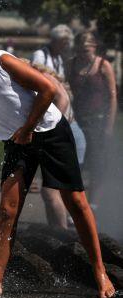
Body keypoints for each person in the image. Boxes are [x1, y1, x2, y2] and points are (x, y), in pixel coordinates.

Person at [0, 16, 115, 298]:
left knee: (75, 201)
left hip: (49, 130)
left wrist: (29, 128)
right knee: (7, 210)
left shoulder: (1, 62)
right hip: (17, 140)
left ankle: (100, 271)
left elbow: (49, 89)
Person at [25, 61, 86, 229]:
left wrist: (50, 127)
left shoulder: (43, 77)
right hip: (70, 133)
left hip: (66, 134)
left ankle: (62, 232)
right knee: (56, 190)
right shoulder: (47, 77)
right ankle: (56, 230)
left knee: (52, 191)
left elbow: (62, 98)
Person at [67, 32, 118, 208]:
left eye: (87, 49)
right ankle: (77, 201)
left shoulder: (104, 65)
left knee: (96, 161)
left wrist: (109, 126)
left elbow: (113, 96)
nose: (84, 53)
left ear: (94, 47)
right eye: (81, 49)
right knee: (76, 162)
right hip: (76, 120)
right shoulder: (72, 64)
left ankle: (93, 202)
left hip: (98, 120)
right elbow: (66, 88)